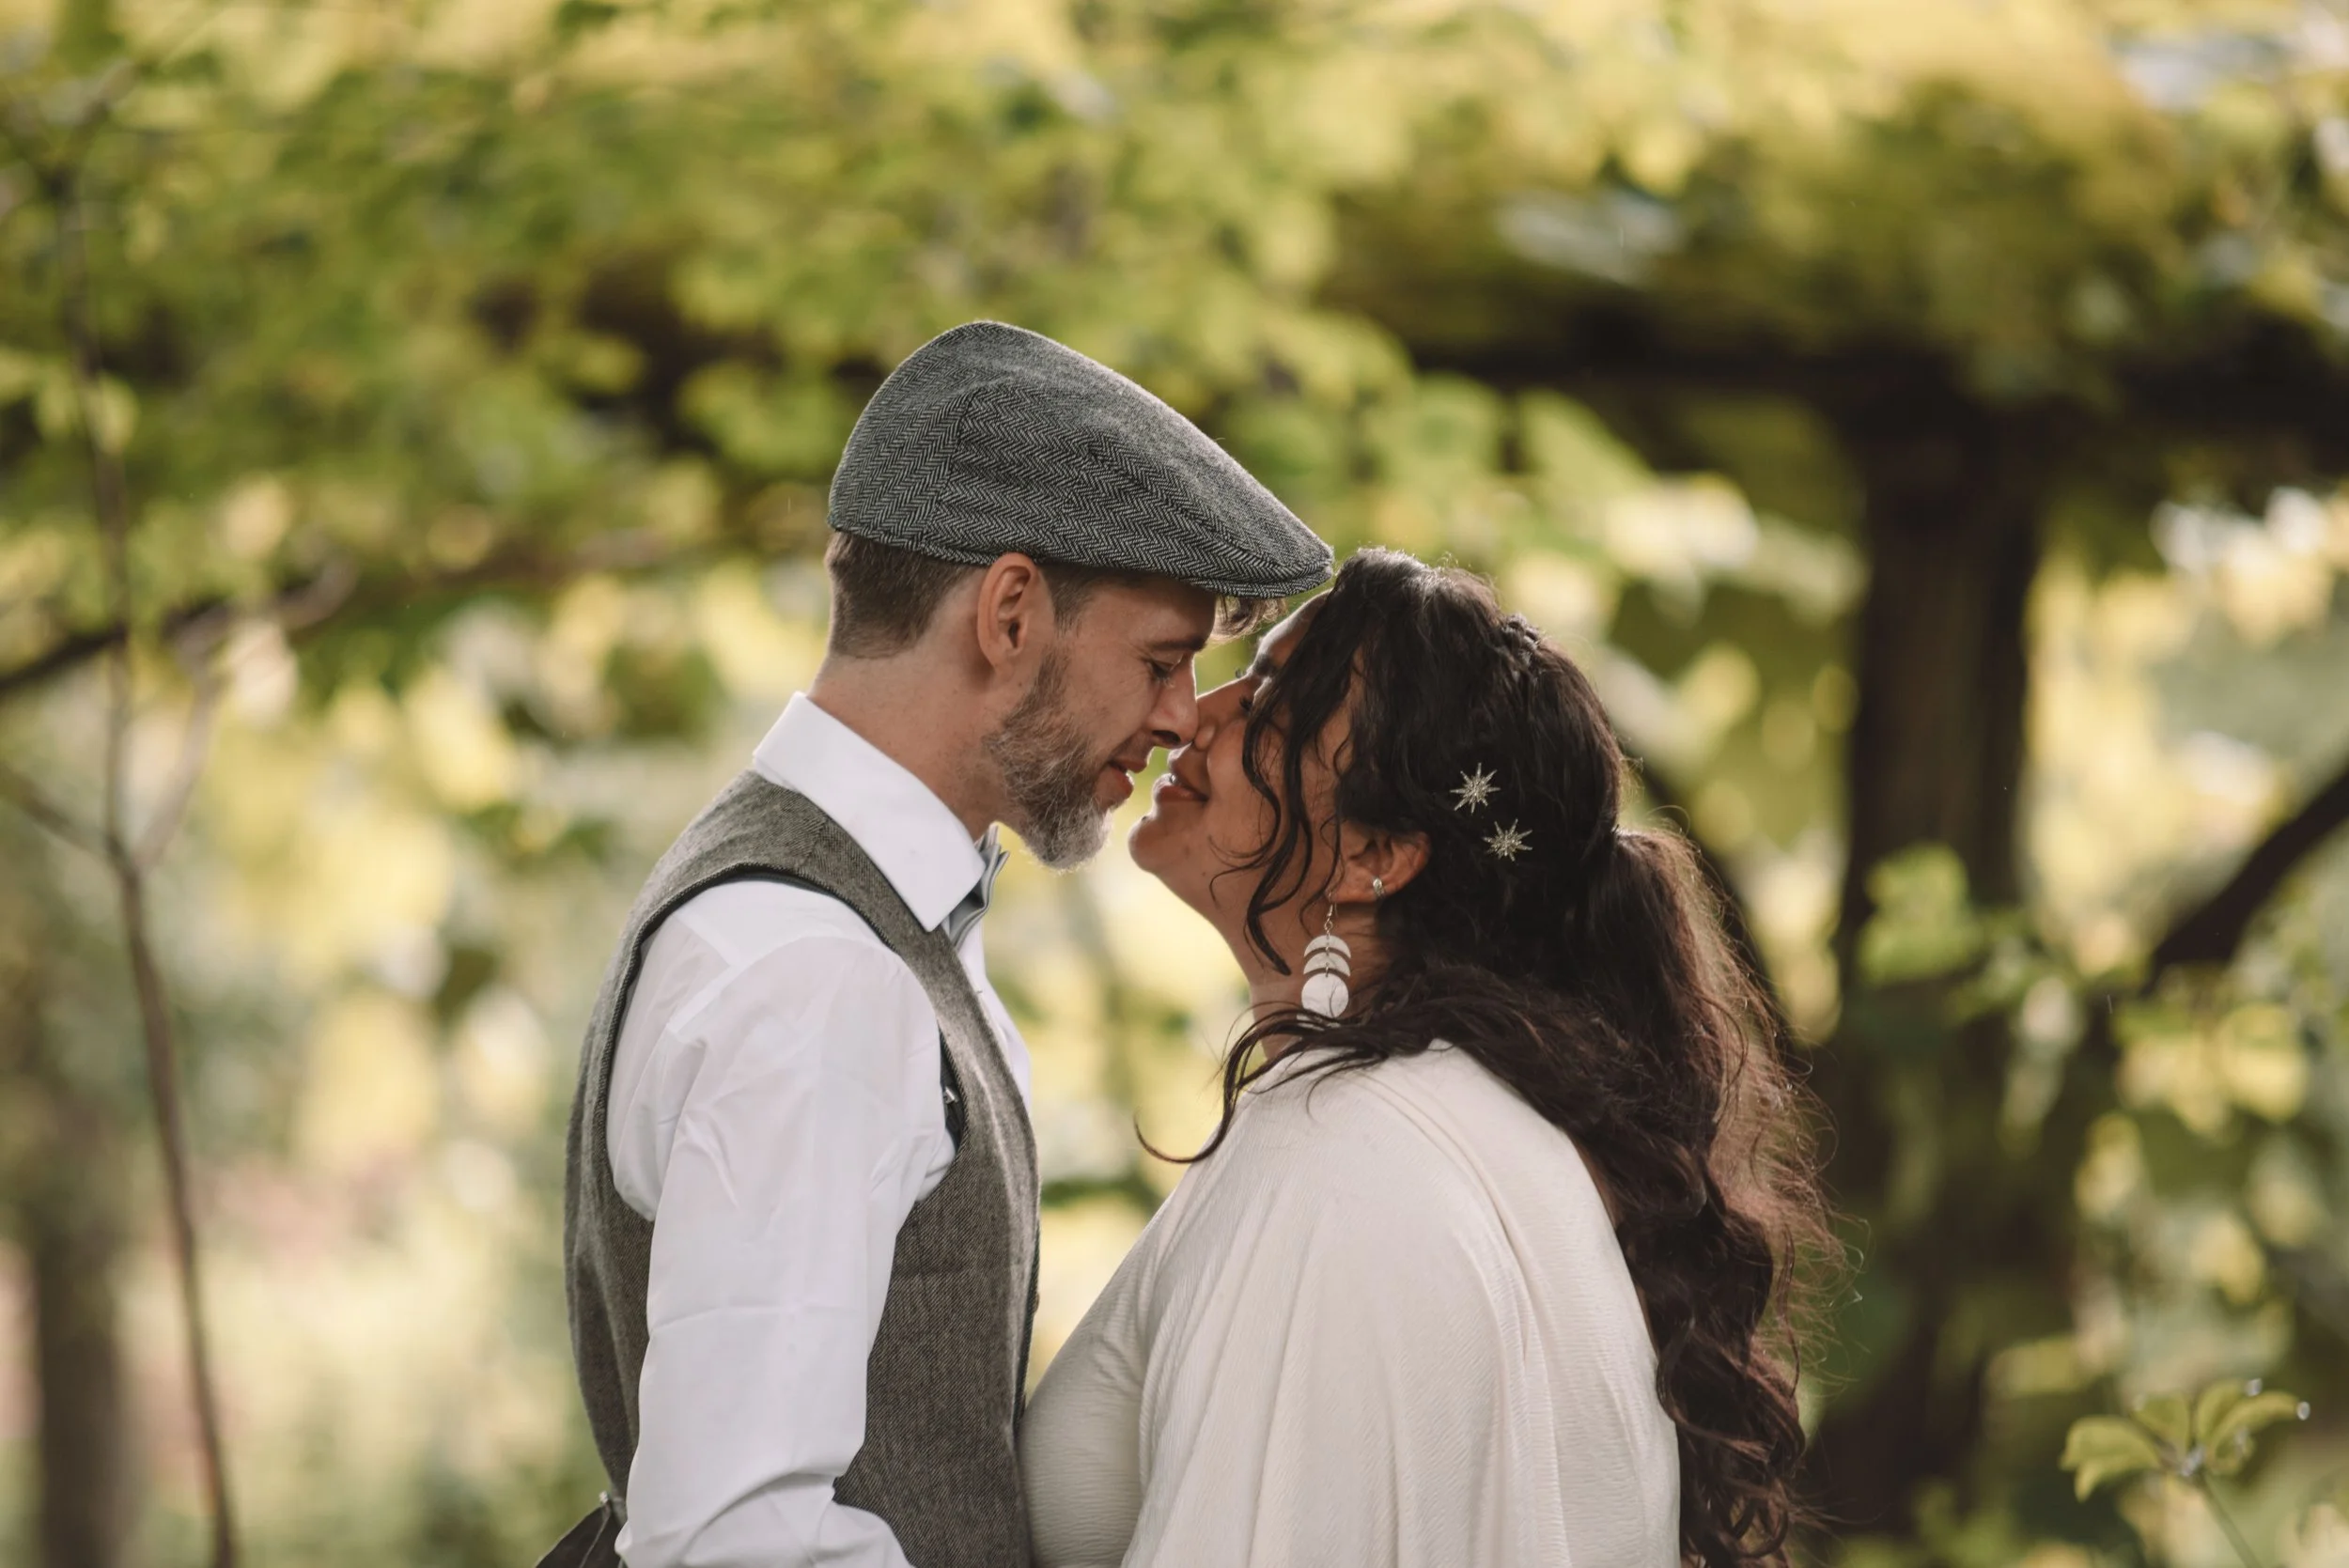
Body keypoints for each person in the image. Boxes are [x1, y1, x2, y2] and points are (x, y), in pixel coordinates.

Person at [542, 320, 1330, 1568]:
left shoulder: (852, 924)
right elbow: (737, 1543)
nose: (1184, 717)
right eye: (1162, 659)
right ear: (1012, 611)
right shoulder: (817, 971)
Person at [1020, 549, 1836, 1568]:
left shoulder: (1338, 1164)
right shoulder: (1499, 1140)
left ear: (1376, 855)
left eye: (1274, 696)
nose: (1196, 714)